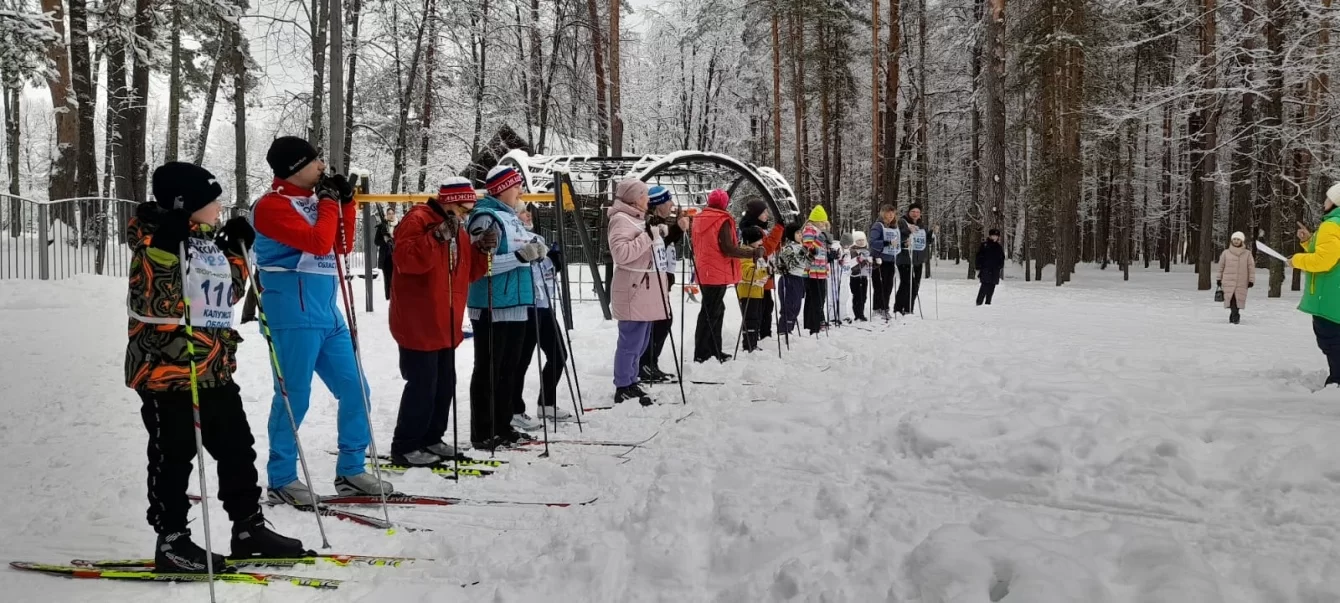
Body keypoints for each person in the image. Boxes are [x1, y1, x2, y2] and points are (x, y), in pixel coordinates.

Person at [127, 162, 305, 572]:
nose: (220, 207)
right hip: (168, 371)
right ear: (185, 204)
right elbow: (155, 300)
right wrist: (166, 250)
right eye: (212, 200)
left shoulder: (204, 242)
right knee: (173, 457)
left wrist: (237, 253)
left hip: (213, 367)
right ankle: (171, 538)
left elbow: (224, 297)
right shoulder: (152, 242)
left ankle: (248, 527)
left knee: (238, 449)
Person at [251, 136, 392, 503]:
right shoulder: (270, 206)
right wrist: (330, 202)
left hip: (328, 314)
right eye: (315, 161)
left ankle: (351, 469)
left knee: (356, 389)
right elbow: (317, 242)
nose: (322, 167)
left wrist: (346, 203)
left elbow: (340, 244)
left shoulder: (314, 202)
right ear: (295, 167)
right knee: (293, 397)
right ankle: (282, 478)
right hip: (291, 315)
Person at [387, 178, 493, 466]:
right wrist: (435, 237)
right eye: (463, 210)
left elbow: (466, 273)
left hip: (445, 320)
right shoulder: (418, 219)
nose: (465, 217)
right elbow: (406, 261)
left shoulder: (457, 229)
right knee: (423, 384)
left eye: (468, 212)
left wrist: (481, 251)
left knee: (445, 383)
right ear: (450, 202)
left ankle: (432, 437)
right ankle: (406, 445)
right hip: (419, 320)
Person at [465, 166, 548, 449]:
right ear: (502, 189)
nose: (521, 191)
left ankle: (503, 425)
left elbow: (524, 252)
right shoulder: (485, 217)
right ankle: (484, 432)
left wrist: (537, 251)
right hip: (492, 303)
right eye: (516, 186)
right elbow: (480, 266)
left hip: (517, 302)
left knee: (510, 370)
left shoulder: (512, 217)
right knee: (490, 369)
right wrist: (522, 257)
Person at [607, 178, 668, 405]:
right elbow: (621, 254)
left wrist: (656, 233)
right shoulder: (621, 219)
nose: (647, 198)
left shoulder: (636, 218)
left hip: (644, 289)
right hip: (632, 288)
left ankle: (631, 380)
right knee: (630, 341)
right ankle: (623, 385)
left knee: (640, 342)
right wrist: (649, 236)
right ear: (634, 198)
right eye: (644, 194)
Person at [515, 205, 574, 424]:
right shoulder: (514, 240)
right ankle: (514, 409)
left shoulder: (537, 237)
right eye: (523, 211)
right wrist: (549, 262)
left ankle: (547, 404)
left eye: (528, 211)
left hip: (544, 305)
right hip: (526, 306)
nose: (528, 214)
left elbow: (545, 271)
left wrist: (554, 262)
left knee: (559, 354)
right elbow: (528, 271)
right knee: (521, 361)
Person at [690, 189, 757, 363]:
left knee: (714, 309)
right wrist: (751, 253)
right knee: (712, 311)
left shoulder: (698, 219)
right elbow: (728, 248)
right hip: (717, 270)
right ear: (724, 203)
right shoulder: (722, 220)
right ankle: (705, 353)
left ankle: (711, 350)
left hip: (704, 270)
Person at [639, 186, 691, 383]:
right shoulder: (650, 222)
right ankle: (645, 364)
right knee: (660, 322)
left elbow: (666, 242)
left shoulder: (660, 222)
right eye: (668, 201)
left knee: (663, 322)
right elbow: (658, 244)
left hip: (662, 280)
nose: (671, 204)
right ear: (658, 204)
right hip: (652, 281)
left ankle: (650, 363)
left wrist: (678, 227)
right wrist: (678, 228)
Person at [1293, 184, 1340, 387]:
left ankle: (1337, 381)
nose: (1324, 202)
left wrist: (1296, 260)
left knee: (1331, 341)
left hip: (1329, 297)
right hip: (1335, 293)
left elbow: (1324, 261)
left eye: (1328, 198)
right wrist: (1309, 241)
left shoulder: (1331, 225)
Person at [738, 199, 784, 339]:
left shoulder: (760, 229)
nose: (767, 215)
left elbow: (770, 247)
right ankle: (761, 333)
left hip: (764, 272)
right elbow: (766, 249)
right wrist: (778, 230)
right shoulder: (753, 231)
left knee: (766, 305)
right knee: (761, 306)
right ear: (756, 214)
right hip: (758, 273)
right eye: (763, 212)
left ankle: (763, 332)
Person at [894, 204, 935, 315]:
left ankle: (909, 309)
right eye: (913, 211)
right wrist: (908, 231)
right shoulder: (902, 222)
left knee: (915, 285)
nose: (915, 214)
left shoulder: (922, 225)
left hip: (918, 259)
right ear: (909, 212)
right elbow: (897, 236)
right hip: (905, 259)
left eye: (917, 212)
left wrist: (932, 233)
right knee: (907, 284)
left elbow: (926, 241)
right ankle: (898, 308)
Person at [736, 226, 771, 351]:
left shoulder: (756, 252)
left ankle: (753, 342)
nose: (761, 242)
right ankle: (748, 345)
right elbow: (747, 274)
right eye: (758, 240)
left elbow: (761, 269)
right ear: (749, 241)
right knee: (750, 319)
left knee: (756, 319)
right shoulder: (745, 253)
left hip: (757, 291)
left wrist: (769, 271)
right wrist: (765, 271)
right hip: (748, 292)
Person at [801, 206, 831, 334]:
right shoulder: (809, 231)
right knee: (816, 298)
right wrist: (820, 240)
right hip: (812, 271)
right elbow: (809, 250)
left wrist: (830, 253)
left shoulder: (820, 232)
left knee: (818, 297)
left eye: (825, 222)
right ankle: (814, 324)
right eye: (821, 222)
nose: (824, 225)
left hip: (821, 270)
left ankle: (814, 321)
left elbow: (822, 251)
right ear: (815, 221)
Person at [868, 205, 901, 319]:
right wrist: (888, 243)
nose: (891, 215)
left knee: (888, 286)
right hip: (879, 260)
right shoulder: (878, 226)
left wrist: (903, 243)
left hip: (890, 260)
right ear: (882, 213)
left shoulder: (894, 227)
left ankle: (884, 308)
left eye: (893, 213)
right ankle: (878, 309)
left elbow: (896, 242)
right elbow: (872, 242)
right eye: (888, 212)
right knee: (879, 286)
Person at [776, 222, 808, 335]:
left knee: (797, 306)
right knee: (789, 305)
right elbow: (791, 265)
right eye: (797, 233)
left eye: (801, 233)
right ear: (791, 235)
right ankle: (783, 330)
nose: (800, 235)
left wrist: (811, 255)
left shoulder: (801, 247)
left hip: (799, 278)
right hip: (789, 279)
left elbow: (806, 264)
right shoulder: (788, 248)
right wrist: (802, 253)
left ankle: (790, 328)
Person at [1216, 232, 1255, 324]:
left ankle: (1234, 315)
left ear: (1242, 241)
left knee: (1238, 299)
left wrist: (1251, 280)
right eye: (1234, 239)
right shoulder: (1225, 253)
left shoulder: (1247, 254)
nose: (1236, 241)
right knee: (1231, 299)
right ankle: (1235, 316)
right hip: (1228, 280)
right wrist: (1219, 279)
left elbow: (1251, 268)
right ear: (1231, 240)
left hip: (1242, 281)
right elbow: (1221, 267)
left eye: (1238, 239)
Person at [975, 228, 1006, 306]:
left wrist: (1000, 266)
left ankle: (988, 303)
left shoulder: (999, 247)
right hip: (985, 269)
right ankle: (979, 303)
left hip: (995, 270)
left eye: (996, 236)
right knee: (984, 286)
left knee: (992, 287)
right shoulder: (985, 245)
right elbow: (979, 256)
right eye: (993, 235)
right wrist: (978, 267)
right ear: (990, 236)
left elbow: (1002, 257)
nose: (995, 237)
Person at [847, 231, 872, 321]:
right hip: (855, 277)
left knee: (863, 296)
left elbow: (870, 265)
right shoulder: (852, 251)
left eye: (862, 240)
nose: (861, 242)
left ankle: (861, 313)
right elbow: (853, 267)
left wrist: (875, 263)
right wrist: (862, 260)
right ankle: (858, 314)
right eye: (858, 240)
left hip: (864, 276)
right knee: (857, 296)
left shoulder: (867, 250)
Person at [374, 206, 397, 300]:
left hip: (396, 256)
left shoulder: (398, 225)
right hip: (386, 257)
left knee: (396, 278)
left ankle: (396, 296)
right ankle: (389, 297)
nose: (391, 215)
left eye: (392, 214)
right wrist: (385, 240)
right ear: (386, 215)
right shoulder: (382, 227)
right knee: (387, 278)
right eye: (389, 214)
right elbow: (376, 241)